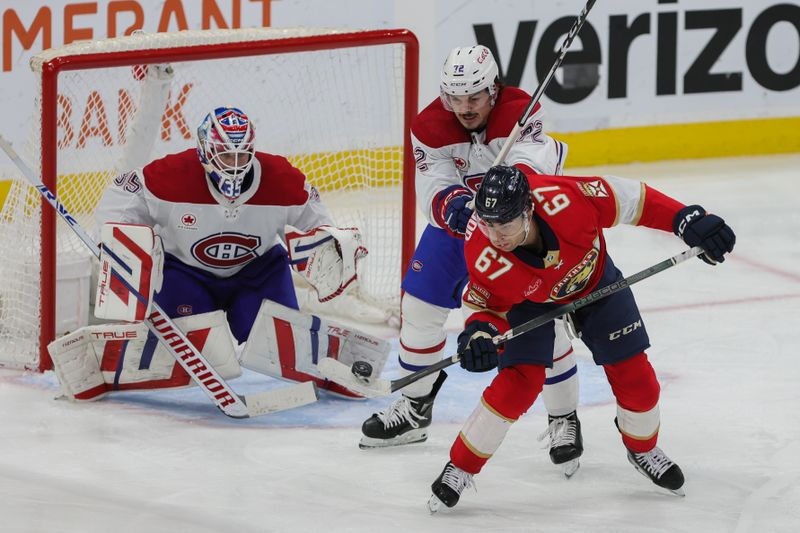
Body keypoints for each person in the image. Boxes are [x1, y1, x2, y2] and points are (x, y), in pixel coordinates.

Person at [426, 165, 736, 511]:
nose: (497, 234)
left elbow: (632, 199)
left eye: (506, 223)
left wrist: (684, 218)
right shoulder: (483, 251)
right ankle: (460, 467)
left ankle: (643, 448)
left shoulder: (567, 199)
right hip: (529, 306)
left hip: (597, 283)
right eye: (489, 223)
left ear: (528, 209)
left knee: (636, 376)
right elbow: (483, 306)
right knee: (517, 385)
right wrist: (479, 334)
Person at [360, 45, 583, 473]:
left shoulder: (521, 110)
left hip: (517, 228)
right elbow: (433, 185)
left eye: (474, 97)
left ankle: (563, 417)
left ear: (493, 90)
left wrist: (503, 199)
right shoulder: (428, 125)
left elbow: (532, 171)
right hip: (460, 228)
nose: (464, 108)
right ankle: (414, 405)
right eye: (454, 98)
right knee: (418, 306)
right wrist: (456, 206)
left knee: (541, 321)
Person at [92, 106, 365, 396]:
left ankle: (337, 367)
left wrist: (329, 246)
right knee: (192, 354)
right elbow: (123, 194)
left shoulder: (281, 179)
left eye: (242, 155)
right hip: (186, 273)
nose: (234, 165)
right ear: (205, 152)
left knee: (280, 348)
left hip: (257, 273)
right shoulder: (171, 175)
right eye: (225, 155)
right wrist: (113, 241)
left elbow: (317, 224)